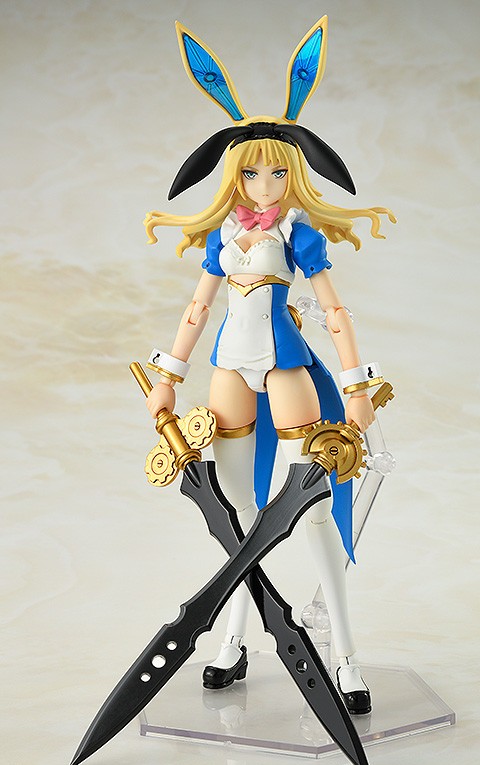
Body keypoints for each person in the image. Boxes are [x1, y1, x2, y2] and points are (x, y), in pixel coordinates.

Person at [143, 17, 395, 714]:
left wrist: (356, 388)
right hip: (228, 368)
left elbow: (334, 311)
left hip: (284, 367)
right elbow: (197, 309)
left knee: (309, 509)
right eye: (251, 171)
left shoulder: (297, 232)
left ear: (293, 173)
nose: (263, 183)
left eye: (276, 171)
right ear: (234, 174)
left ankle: (344, 654)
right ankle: (233, 639)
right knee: (238, 517)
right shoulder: (224, 234)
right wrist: (168, 378)